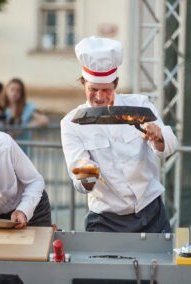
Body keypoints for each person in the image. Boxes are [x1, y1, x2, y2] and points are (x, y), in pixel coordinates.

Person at [61, 36, 178, 233]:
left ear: (116, 84)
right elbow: (80, 182)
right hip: (105, 220)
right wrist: (87, 173)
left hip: (150, 211)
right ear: (83, 84)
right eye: (93, 89)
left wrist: (157, 136)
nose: (99, 96)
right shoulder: (72, 123)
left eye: (106, 90)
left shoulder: (139, 106)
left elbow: (170, 145)